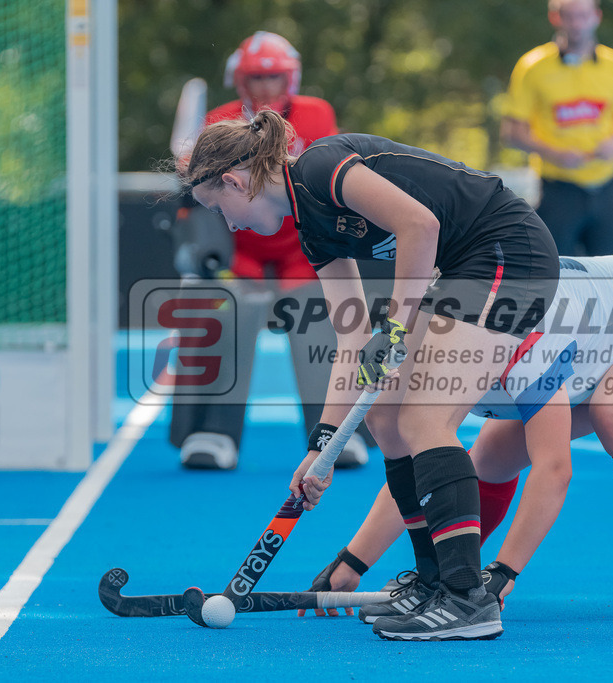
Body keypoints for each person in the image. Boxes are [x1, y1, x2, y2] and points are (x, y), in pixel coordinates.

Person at [179, 109, 561, 641]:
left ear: (234, 181)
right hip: (464, 268)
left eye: (217, 207)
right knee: (385, 416)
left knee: (426, 419)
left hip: (507, 251)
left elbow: (419, 225)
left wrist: (399, 328)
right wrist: (323, 447)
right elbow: (353, 340)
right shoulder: (311, 233)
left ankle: (467, 598)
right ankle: (434, 582)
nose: (229, 225)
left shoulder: (319, 166)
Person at [300, 254, 613, 621]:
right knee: (489, 458)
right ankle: (452, 575)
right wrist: (354, 561)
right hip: (596, 335)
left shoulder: (522, 345)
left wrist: (504, 571)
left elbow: (554, 470)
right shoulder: (412, 344)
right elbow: (423, 467)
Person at [167, 31, 369, 471]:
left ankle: (334, 433)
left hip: (303, 248)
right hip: (241, 253)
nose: (264, 88)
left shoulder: (316, 116)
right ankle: (213, 430)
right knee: (223, 308)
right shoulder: (218, 120)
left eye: (273, 77)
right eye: (256, 78)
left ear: (290, 78)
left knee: (323, 318)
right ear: (240, 80)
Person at [501, 0, 613, 257]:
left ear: (596, 17)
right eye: (570, 17)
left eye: (583, 16)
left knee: (612, 277)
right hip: (558, 191)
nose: (577, 24)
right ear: (556, 18)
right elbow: (511, 133)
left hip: (608, 188)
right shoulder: (532, 66)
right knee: (554, 274)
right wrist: (554, 153)